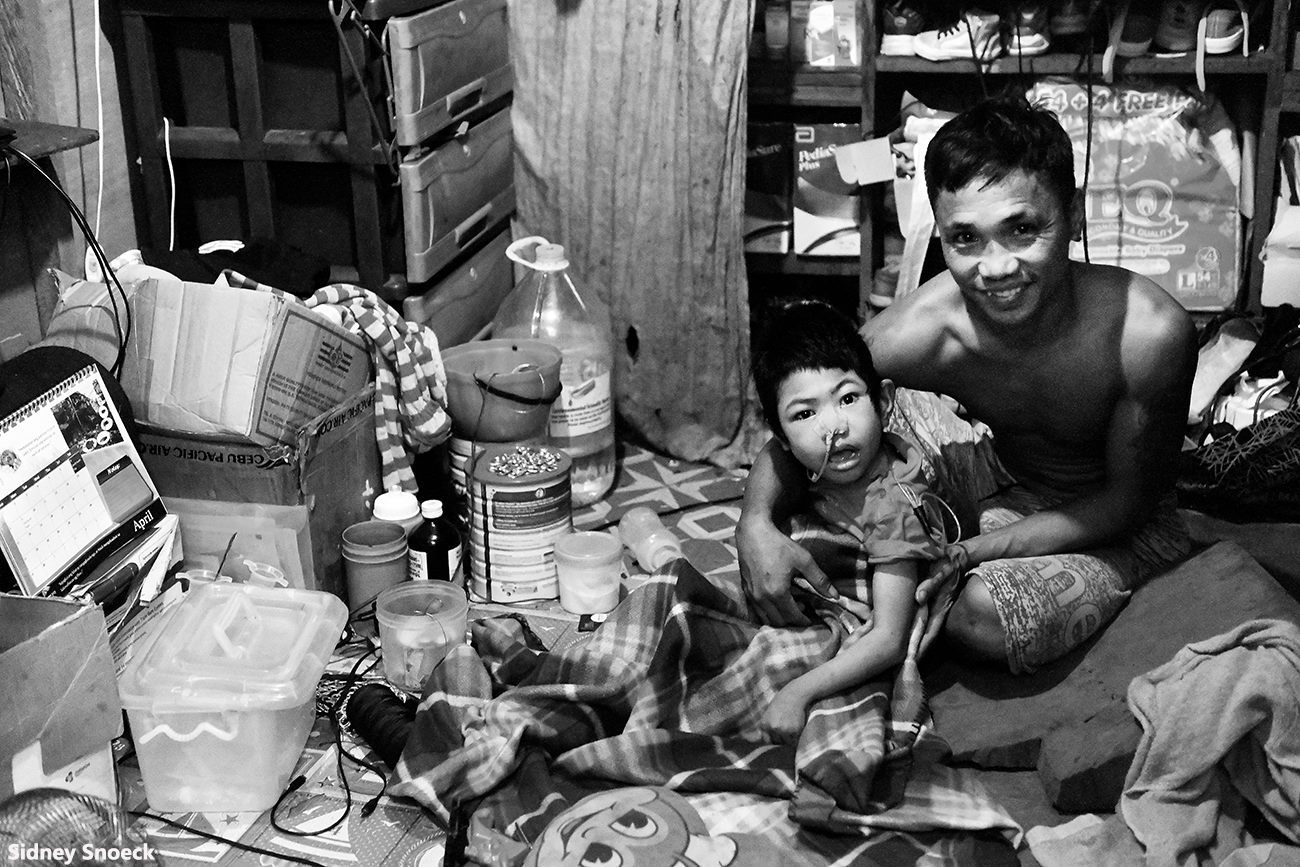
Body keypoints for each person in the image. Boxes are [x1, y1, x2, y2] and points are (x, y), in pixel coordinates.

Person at [738, 94, 1198, 674]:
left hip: (1114, 524)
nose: (996, 267)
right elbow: (808, 405)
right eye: (966, 239)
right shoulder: (929, 328)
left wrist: (968, 552)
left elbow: (1128, 503)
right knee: (844, 422)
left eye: (1022, 229)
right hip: (994, 480)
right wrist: (753, 523)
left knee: (978, 615)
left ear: (1074, 215)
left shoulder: (1146, 333)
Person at [749, 300, 941, 742]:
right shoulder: (808, 472)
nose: (833, 426)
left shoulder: (892, 508)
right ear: (780, 439)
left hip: (854, 638)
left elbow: (889, 639)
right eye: (805, 414)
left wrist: (798, 694)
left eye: (849, 399)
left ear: (883, 402)